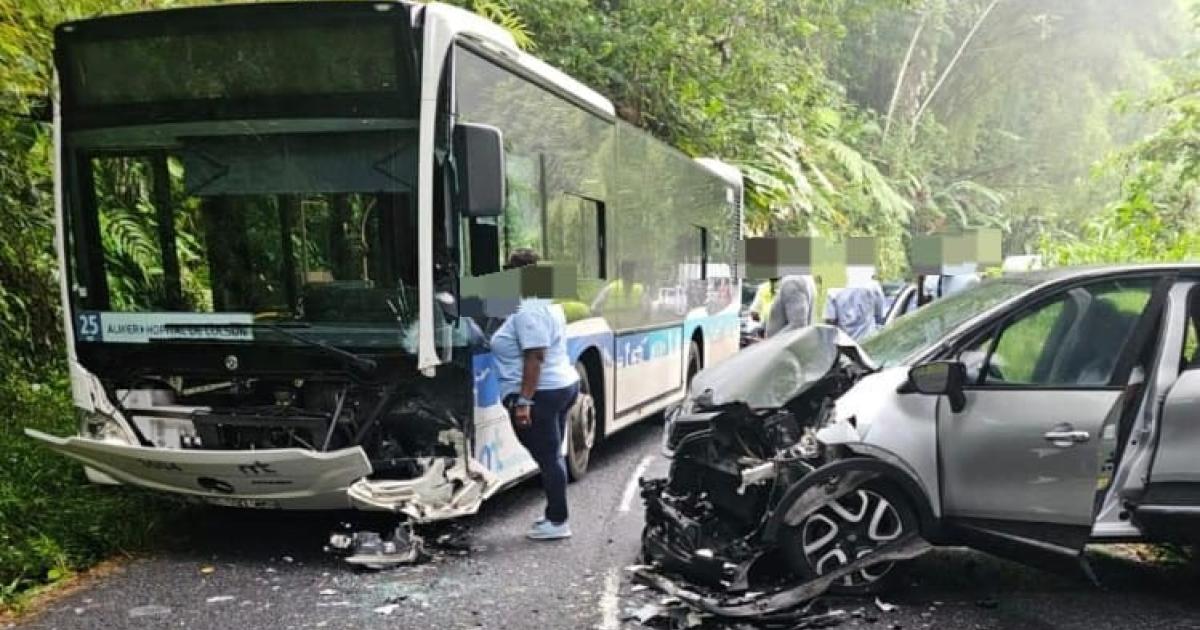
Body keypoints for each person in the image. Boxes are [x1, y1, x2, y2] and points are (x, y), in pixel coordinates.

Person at [490, 249, 581, 540]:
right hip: (559, 386)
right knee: (551, 455)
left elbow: (535, 357)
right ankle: (555, 515)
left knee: (548, 457)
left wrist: (524, 402)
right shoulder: (543, 303)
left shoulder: (529, 309)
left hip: (542, 393)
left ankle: (558, 521)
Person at [824, 277, 886, 341]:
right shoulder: (873, 286)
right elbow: (880, 318)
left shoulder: (832, 292)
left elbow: (830, 326)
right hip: (870, 340)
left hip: (847, 344)